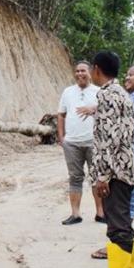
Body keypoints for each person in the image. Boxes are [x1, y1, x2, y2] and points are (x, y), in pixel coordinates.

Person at [88, 51, 134, 268]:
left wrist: (102, 175)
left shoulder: (106, 95)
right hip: (126, 167)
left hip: (114, 170)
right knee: (122, 220)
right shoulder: (123, 94)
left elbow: (109, 137)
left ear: (96, 69)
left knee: (117, 226)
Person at [90, 65, 134, 259]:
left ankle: (118, 246)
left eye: (132, 75)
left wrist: (96, 108)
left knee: (125, 204)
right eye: (127, 74)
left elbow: (118, 107)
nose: (127, 78)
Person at [57, 61, 105, 225]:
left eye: (83, 70)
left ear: (90, 72)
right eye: (77, 71)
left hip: (93, 142)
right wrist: (62, 137)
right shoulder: (68, 92)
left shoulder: (99, 92)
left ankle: (100, 213)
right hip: (72, 143)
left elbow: (106, 114)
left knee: (97, 178)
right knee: (75, 178)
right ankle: (75, 214)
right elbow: (61, 114)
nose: (79, 74)